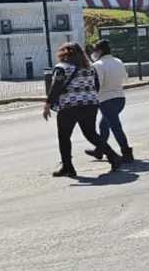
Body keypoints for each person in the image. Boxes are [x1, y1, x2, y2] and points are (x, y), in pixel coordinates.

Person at [43, 42, 122, 177]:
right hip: (90, 104)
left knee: (64, 136)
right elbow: (96, 85)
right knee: (90, 133)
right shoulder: (90, 68)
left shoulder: (61, 68)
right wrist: (88, 96)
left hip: (69, 105)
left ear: (62, 54)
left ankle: (67, 166)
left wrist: (47, 105)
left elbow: (56, 86)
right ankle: (112, 156)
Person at [87, 39, 134, 162]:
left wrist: (92, 97)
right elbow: (125, 79)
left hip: (106, 100)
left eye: (95, 51)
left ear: (100, 51)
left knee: (115, 127)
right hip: (120, 98)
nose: (94, 54)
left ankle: (126, 152)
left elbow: (98, 84)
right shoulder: (118, 61)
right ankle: (99, 150)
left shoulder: (98, 65)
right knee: (104, 125)